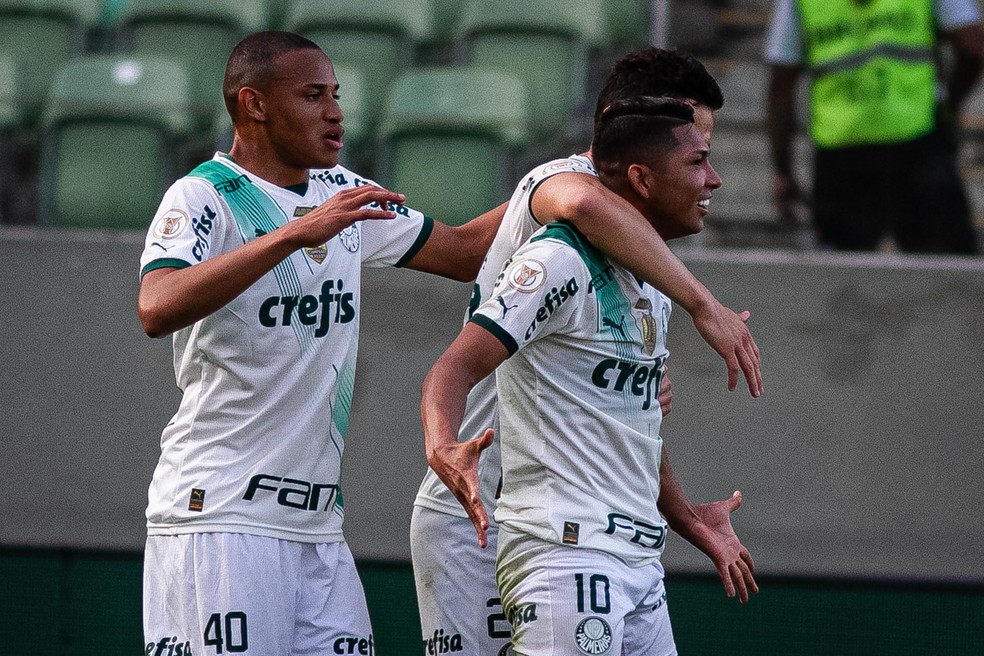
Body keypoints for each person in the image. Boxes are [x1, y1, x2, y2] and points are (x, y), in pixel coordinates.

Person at [136, 33, 756, 654]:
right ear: (254, 104)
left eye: (337, 95)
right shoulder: (204, 196)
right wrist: (294, 237)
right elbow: (156, 305)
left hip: (318, 524)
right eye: (313, 95)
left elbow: (461, 251)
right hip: (220, 508)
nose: (336, 112)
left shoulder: (338, 193)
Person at [412, 49, 759, 656]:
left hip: (601, 523)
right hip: (487, 509)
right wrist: (709, 305)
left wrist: (681, 511)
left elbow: (627, 416)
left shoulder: (648, 264)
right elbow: (584, 204)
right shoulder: (572, 190)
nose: (712, 176)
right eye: (696, 152)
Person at [765, 0, 984, 254]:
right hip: (918, 139)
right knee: (945, 270)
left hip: (841, 152)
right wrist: (948, 106)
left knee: (843, 274)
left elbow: (781, 83)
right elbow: (972, 49)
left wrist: (783, 170)